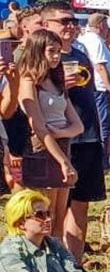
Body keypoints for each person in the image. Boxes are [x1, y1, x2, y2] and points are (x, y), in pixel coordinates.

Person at [40, 4, 108, 260]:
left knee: (82, 203)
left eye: (72, 21)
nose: (70, 25)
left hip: (88, 136)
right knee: (55, 208)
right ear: (46, 25)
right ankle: (53, 263)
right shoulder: (43, 59)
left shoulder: (80, 54)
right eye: (63, 21)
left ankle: (75, 265)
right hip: (63, 141)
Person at [15, 30, 83, 237]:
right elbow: (37, 125)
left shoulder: (56, 82)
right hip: (41, 149)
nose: (56, 56)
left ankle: (59, 261)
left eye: (58, 51)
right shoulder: (29, 81)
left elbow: (78, 125)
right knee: (44, 214)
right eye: (51, 51)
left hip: (62, 144)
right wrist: (62, 160)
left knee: (59, 216)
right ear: (38, 51)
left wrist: (61, 133)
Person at [81, 12, 110, 160]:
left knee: (105, 123)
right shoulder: (94, 40)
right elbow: (100, 66)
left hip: (101, 88)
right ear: (102, 25)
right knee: (104, 124)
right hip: (102, 89)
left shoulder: (91, 39)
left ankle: (104, 157)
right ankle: (103, 158)